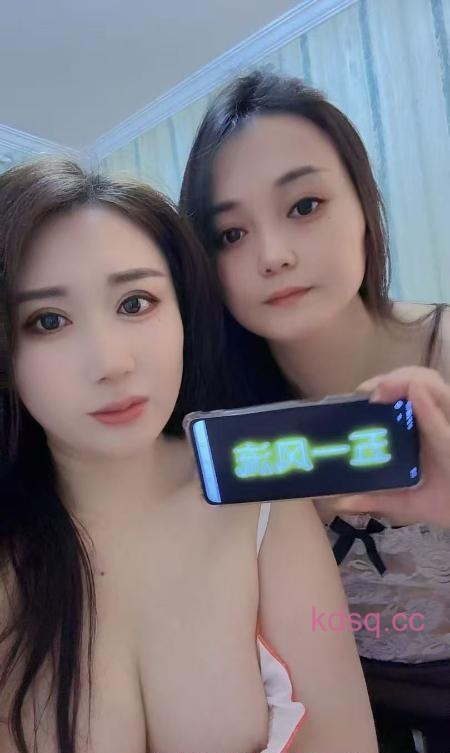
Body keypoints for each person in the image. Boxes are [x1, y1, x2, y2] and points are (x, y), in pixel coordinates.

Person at [0, 158, 377, 753]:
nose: (111, 363)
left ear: (184, 312)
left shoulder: (261, 506)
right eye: (48, 321)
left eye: (135, 303)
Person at [180, 70, 450, 752]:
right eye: (230, 234)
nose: (273, 255)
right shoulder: (214, 428)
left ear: (363, 203)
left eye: (304, 205)